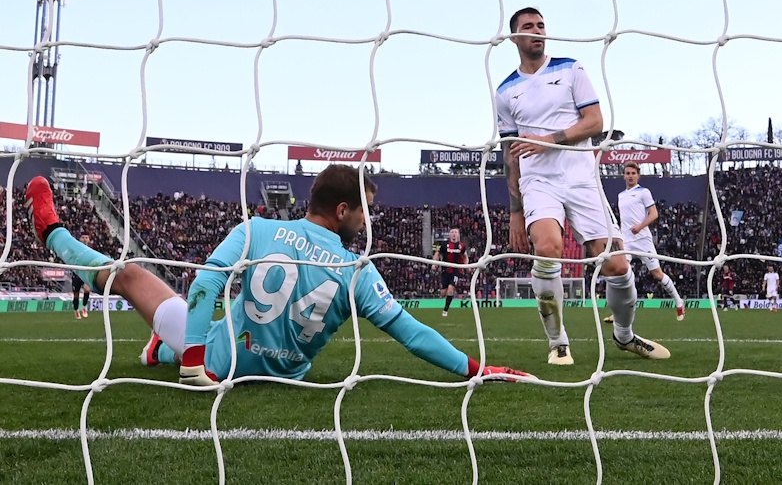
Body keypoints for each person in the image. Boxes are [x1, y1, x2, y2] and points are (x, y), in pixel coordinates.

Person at [22, 169, 528, 384]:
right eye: (365, 212)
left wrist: (197, 363)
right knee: (158, 298)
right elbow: (411, 334)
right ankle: (165, 343)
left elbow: (205, 285)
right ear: (343, 209)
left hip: (222, 360)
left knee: (130, 275)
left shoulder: (257, 229)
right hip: (289, 377)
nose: (370, 222)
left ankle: (55, 236)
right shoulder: (357, 269)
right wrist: (477, 368)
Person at [496, 7, 669, 365]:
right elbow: (510, 155)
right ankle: (558, 342)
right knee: (547, 248)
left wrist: (550, 139)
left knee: (617, 267)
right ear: (514, 38)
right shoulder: (505, 91)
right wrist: (514, 211)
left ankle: (624, 336)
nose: (537, 31)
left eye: (542, 25)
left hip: (581, 179)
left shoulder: (571, 68)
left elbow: (595, 122)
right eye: (528, 26)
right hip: (538, 181)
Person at [614, 162, 685, 321]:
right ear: (624, 175)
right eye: (628, 173)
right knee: (621, 271)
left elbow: (654, 214)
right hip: (626, 241)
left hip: (643, 240)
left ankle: (678, 301)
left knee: (657, 274)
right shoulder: (620, 195)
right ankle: (620, 310)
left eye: (633, 173)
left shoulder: (643, 192)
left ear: (638, 175)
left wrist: (640, 226)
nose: (630, 176)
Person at [435, 228, 468, 317]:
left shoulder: (462, 246)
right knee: (443, 293)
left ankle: (445, 310)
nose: (454, 234)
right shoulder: (445, 244)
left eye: (455, 232)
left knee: (451, 288)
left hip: (456, 270)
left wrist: (466, 266)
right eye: (452, 232)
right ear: (450, 234)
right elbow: (438, 253)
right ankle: (448, 297)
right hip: (445, 270)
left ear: (458, 235)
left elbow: (465, 257)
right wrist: (434, 263)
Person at [71, 234, 94, 319]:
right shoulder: (76, 248)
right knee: (76, 294)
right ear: (80, 239)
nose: (85, 239)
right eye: (83, 237)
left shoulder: (91, 250)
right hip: (77, 273)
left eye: (86, 238)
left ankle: (84, 307)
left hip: (86, 272)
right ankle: (76, 310)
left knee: (87, 289)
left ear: (89, 239)